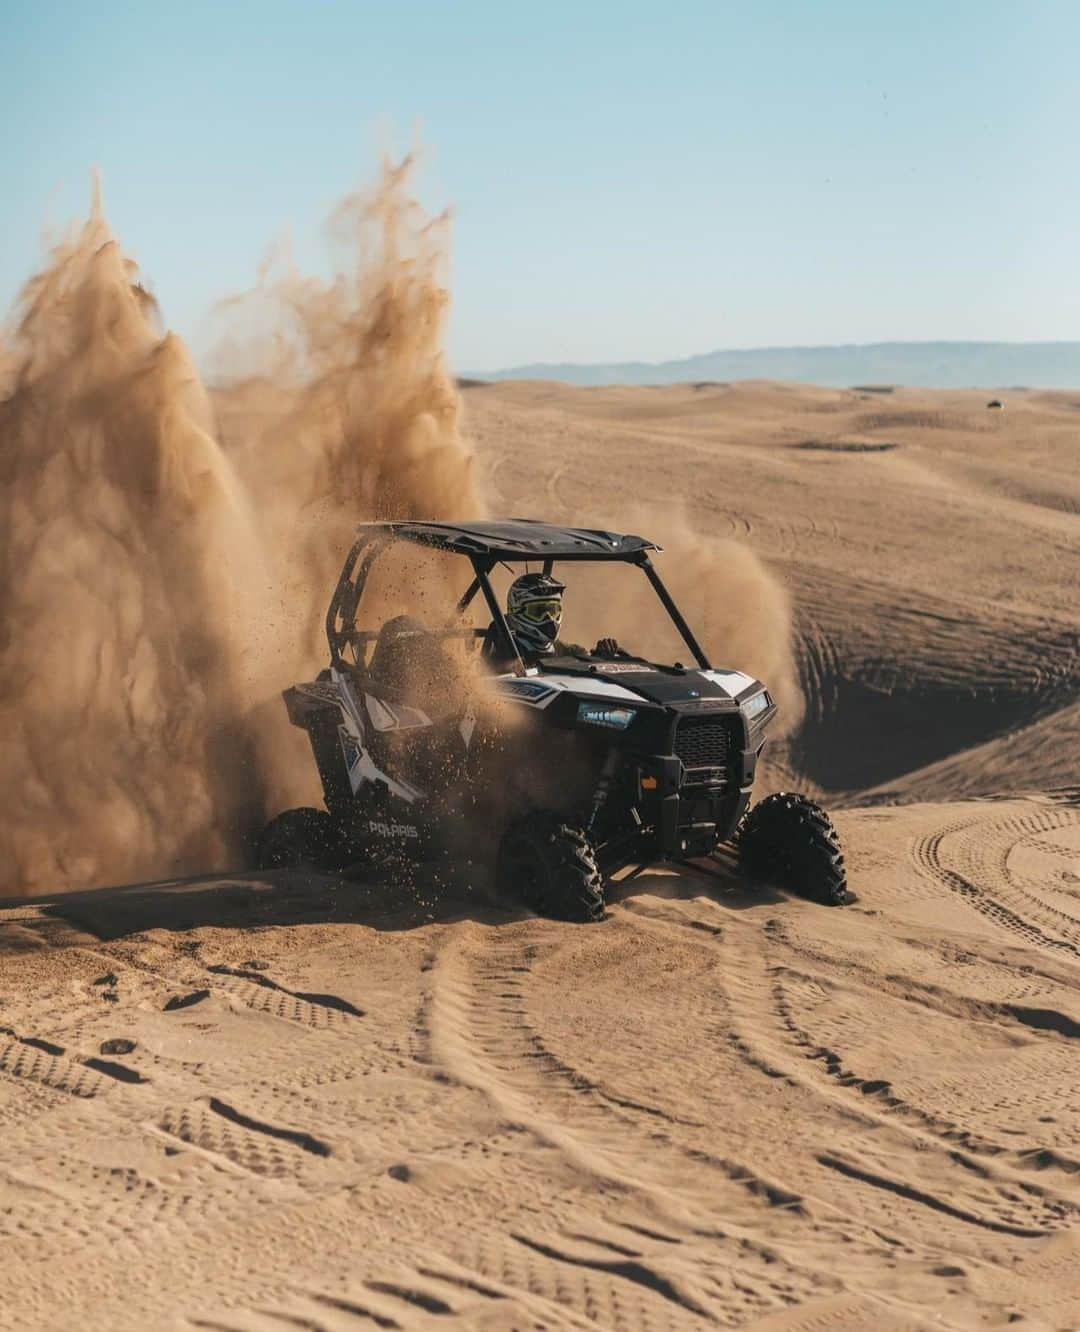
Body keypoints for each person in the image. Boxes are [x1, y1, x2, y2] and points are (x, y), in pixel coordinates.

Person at [482, 571, 620, 670]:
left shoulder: (568, 652)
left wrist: (603, 658)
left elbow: (587, 667)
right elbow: (488, 680)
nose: (548, 619)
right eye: (538, 612)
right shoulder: (504, 651)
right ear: (517, 611)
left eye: (553, 610)